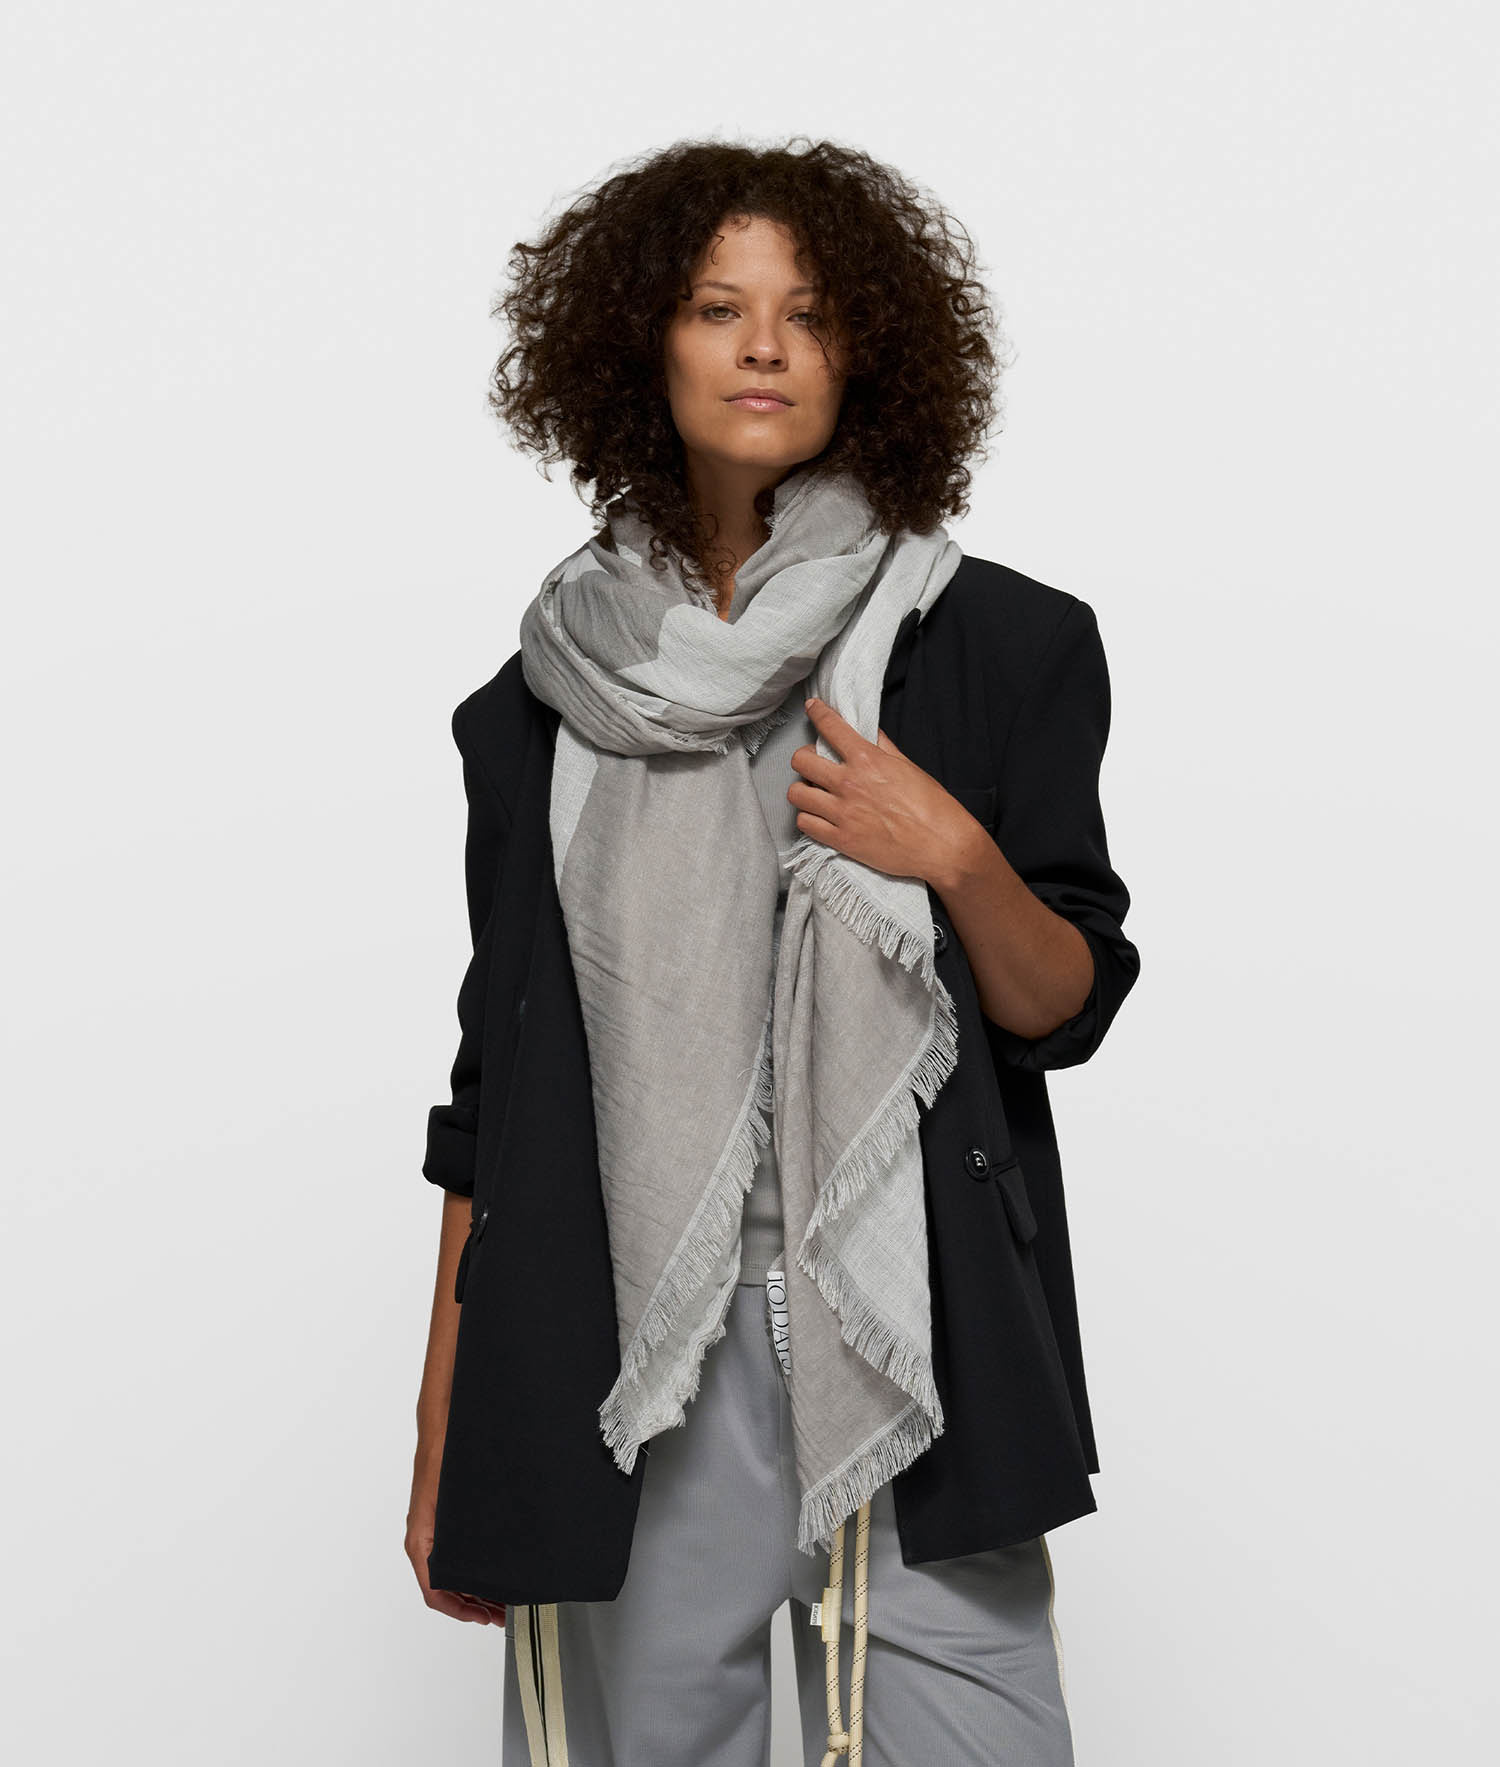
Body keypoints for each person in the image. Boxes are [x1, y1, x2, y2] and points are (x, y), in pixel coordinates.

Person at [405, 137, 1141, 1767]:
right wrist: (447, 1422)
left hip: (911, 1327)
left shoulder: (1004, 644)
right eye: (714, 306)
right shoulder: (533, 709)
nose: (761, 346)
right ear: (640, 347)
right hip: (630, 1357)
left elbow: (1061, 1005)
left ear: (869, 349)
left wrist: (952, 854)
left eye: (808, 312)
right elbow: (495, 1095)